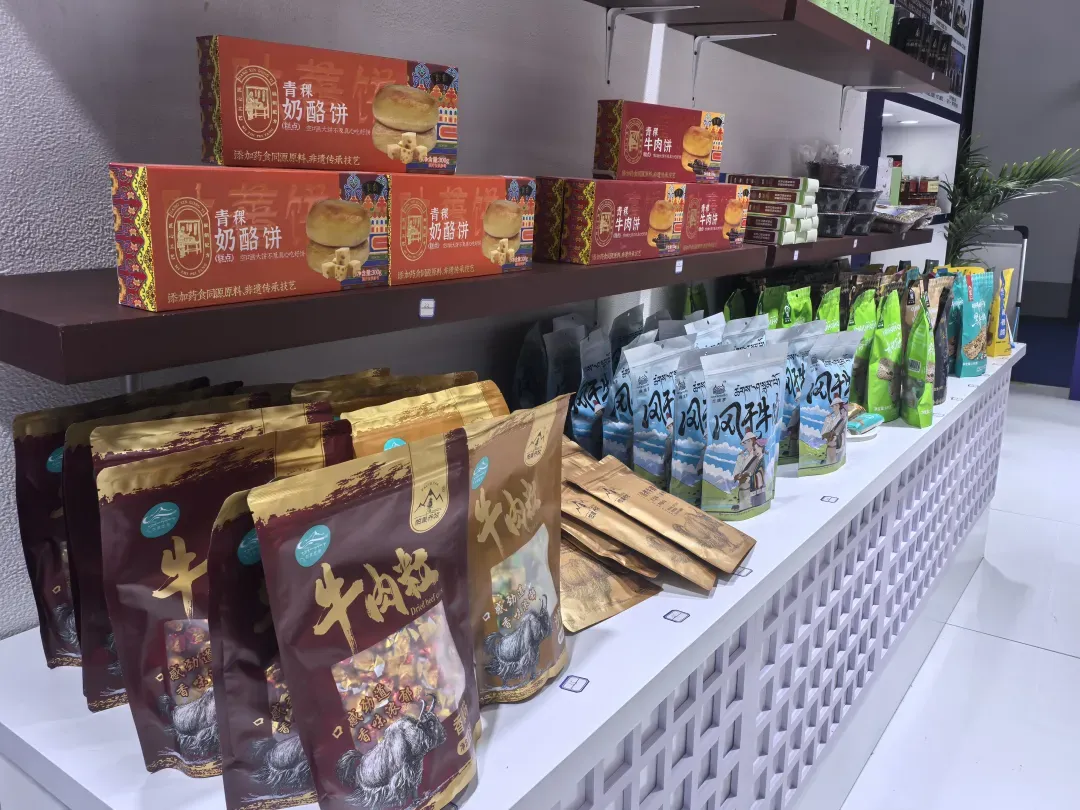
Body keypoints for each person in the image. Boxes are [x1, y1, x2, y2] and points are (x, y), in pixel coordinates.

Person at [733, 429, 767, 510]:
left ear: (751, 441)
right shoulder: (743, 457)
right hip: (743, 487)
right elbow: (737, 473)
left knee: (748, 506)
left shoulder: (757, 456)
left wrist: (747, 475)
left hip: (752, 489)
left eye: (745, 443)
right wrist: (740, 459)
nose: (744, 446)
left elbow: (758, 472)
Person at [821, 396, 848, 466]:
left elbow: (838, 432)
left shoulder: (842, 418)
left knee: (834, 462)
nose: (833, 408)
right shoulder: (832, 419)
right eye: (832, 406)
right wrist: (827, 421)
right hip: (831, 445)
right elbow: (824, 433)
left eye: (834, 406)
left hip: (837, 445)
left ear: (838, 406)